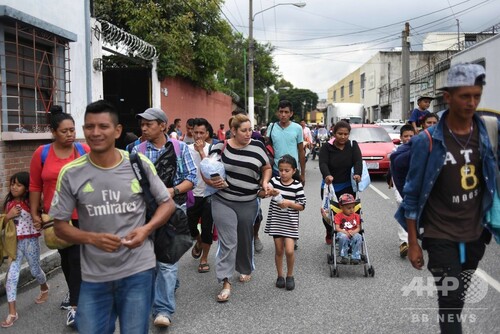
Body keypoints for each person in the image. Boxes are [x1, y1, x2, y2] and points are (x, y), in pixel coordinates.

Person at [50, 100, 175, 334]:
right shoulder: (71, 173)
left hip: (138, 270)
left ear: (117, 131)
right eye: (89, 127)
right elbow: (59, 227)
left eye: (103, 126)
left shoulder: (139, 164)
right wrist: (91, 238)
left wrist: (146, 230)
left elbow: (166, 205)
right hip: (94, 276)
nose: (95, 133)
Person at [396, 63, 499, 333]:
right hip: (439, 232)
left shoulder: (487, 132)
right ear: (449, 97)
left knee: (458, 294)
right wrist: (413, 242)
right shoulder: (426, 141)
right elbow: (412, 193)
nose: (471, 102)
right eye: (465, 96)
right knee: (450, 299)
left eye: (476, 95)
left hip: (475, 232)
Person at [132, 107, 197, 328]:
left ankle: (163, 310)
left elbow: (191, 178)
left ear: (162, 125)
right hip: (146, 213)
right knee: (152, 260)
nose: (144, 128)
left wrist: (172, 191)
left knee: (167, 261)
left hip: (174, 210)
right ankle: (168, 285)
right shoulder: (135, 150)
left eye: (148, 124)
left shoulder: (180, 149)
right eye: (142, 124)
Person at [29, 105, 90, 327]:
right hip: (54, 217)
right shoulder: (42, 153)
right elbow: (35, 184)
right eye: (64, 131)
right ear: (53, 131)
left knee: (77, 259)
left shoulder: (83, 150)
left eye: (72, 130)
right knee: (66, 260)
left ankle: (76, 307)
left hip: (82, 215)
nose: (70, 134)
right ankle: (74, 292)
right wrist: (35, 212)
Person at [205, 113, 272, 302]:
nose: (248, 133)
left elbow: (266, 167)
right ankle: (225, 281)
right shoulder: (220, 146)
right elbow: (206, 169)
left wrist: (265, 183)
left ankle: (244, 268)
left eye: (250, 129)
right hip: (223, 200)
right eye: (244, 130)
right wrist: (210, 181)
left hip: (248, 201)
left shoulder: (258, 146)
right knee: (228, 240)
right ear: (233, 131)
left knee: (244, 236)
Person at [1, 172, 49, 328]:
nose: (14, 187)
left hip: (31, 242)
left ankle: (44, 287)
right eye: (12, 184)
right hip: (15, 245)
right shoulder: (8, 204)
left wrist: (39, 223)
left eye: (18, 184)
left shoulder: (31, 203)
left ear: (27, 188)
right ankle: (12, 313)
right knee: (11, 277)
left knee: (35, 270)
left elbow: (42, 218)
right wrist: (9, 215)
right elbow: (3, 222)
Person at [263, 155, 306, 291]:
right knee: (279, 250)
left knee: (289, 250)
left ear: (294, 170)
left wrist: (288, 203)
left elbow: (302, 205)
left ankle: (290, 275)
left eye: (287, 170)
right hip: (276, 221)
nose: (283, 173)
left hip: (290, 223)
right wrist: (269, 191)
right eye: (281, 170)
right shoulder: (275, 181)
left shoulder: (297, 185)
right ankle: (280, 276)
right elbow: (264, 192)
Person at [319, 121, 362, 244]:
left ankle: (350, 235)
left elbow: (358, 161)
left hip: (347, 185)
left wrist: (357, 173)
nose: (343, 137)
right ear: (333, 133)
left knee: (349, 212)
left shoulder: (353, 146)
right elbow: (323, 163)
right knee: (328, 213)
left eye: (346, 134)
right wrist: (327, 175)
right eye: (340, 134)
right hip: (329, 186)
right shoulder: (327, 147)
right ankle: (330, 231)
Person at [188, 118, 214, 273]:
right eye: (195, 132)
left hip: (209, 194)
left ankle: (204, 258)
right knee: (190, 227)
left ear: (207, 134)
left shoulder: (213, 149)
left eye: (201, 133)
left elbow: (211, 170)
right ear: (191, 132)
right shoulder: (185, 149)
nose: (198, 135)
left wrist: (201, 152)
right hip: (191, 194)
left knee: (207, 228)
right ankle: (198, 242)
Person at [389, 124, 416, 258]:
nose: (408, 138)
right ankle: (404, 242)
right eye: (405, 136)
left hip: (415, 185)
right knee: (402, 206)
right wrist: (390, 177)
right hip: (400, 184)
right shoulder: (397, 150)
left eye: (411, 136)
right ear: (400, 138)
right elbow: (392, 166)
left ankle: (414, 237)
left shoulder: (420, 149)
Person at [268, 100, 306, 184]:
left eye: (286, 112)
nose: (283, 115)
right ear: (277, 113)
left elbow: (301, 151)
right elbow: (267, 148)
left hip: (292, 171)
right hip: (276, 170)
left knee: (293, 195)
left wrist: (303, 174)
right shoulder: (271, 127)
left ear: (291, 114)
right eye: (281, 112)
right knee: (276, 196)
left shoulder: (298, 128)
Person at [335, 193, 362, 265]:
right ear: (341, 207)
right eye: (349, 208)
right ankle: (344, 256)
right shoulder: (338, 216)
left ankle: (355, 256)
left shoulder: (356, 216)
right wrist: (344, 232)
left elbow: (358, 228)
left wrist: (353, 232)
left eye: (353, 207)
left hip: (353, 232)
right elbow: (337, 228)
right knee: (342, 236)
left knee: (358, 236)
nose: (352, 210)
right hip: (342, 233)